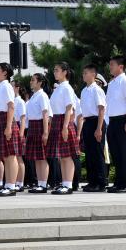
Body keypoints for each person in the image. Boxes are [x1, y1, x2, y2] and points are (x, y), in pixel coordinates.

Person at [105, 55, 126, 193]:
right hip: (113, 121)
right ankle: (119, 182)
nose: (110, 67)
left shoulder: (125, 81)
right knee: (116, 153)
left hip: (124, 119)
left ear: (121, 67)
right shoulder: (112, 83)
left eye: (112, 64)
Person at [47, 63, 80, 194]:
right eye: (54, 70)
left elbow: (69, 108)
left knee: (67, 156)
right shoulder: (59, 88)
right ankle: (64, 183)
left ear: (65, 72)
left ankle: (68, 185)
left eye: (57, 70)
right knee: (61, 156)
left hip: (63, 121)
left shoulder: (66, 88)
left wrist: (65, 126)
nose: (54, 72)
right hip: (56, 120)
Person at [0, 63, 21, 196]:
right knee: (5, 155)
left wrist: (8, 126)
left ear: (5, 73)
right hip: (0, 120)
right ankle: (7, 184)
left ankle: (11, 186)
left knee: (10, 156)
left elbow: (11, 107)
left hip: (6, 121)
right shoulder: (0, 87)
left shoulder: (7, 86)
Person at [79, 64, 108, 192]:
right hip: (88, 122)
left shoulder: (97, 90)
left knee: (97, 153)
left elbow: (101, 109)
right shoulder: (84, 90)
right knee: (89, 154)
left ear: (93, 75)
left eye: (86, 73)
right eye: (83, 73)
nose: (84, 75)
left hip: (97, 121)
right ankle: (92, 181)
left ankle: (100, 182)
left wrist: (99, 128)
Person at [24, 73, 53, 192]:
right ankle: (39, 183)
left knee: (42, 157)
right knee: (36, 157)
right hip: (32, 126)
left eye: (33, 80)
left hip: (40, 125)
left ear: (40, 82)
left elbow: (46, 114)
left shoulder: (42, 96)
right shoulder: (34, 96)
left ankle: (43, 184)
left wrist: (45, 132)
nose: (31, 82)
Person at [14, 83, 29, 189]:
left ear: (17, 88)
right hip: (13, 126)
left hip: (18, 127)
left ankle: (20, 183)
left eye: (12, 86)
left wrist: (21, 133)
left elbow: (23, 118)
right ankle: (14, 181)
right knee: (13, 157)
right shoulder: (12, 100)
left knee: (19, 157)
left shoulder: (20, 101)